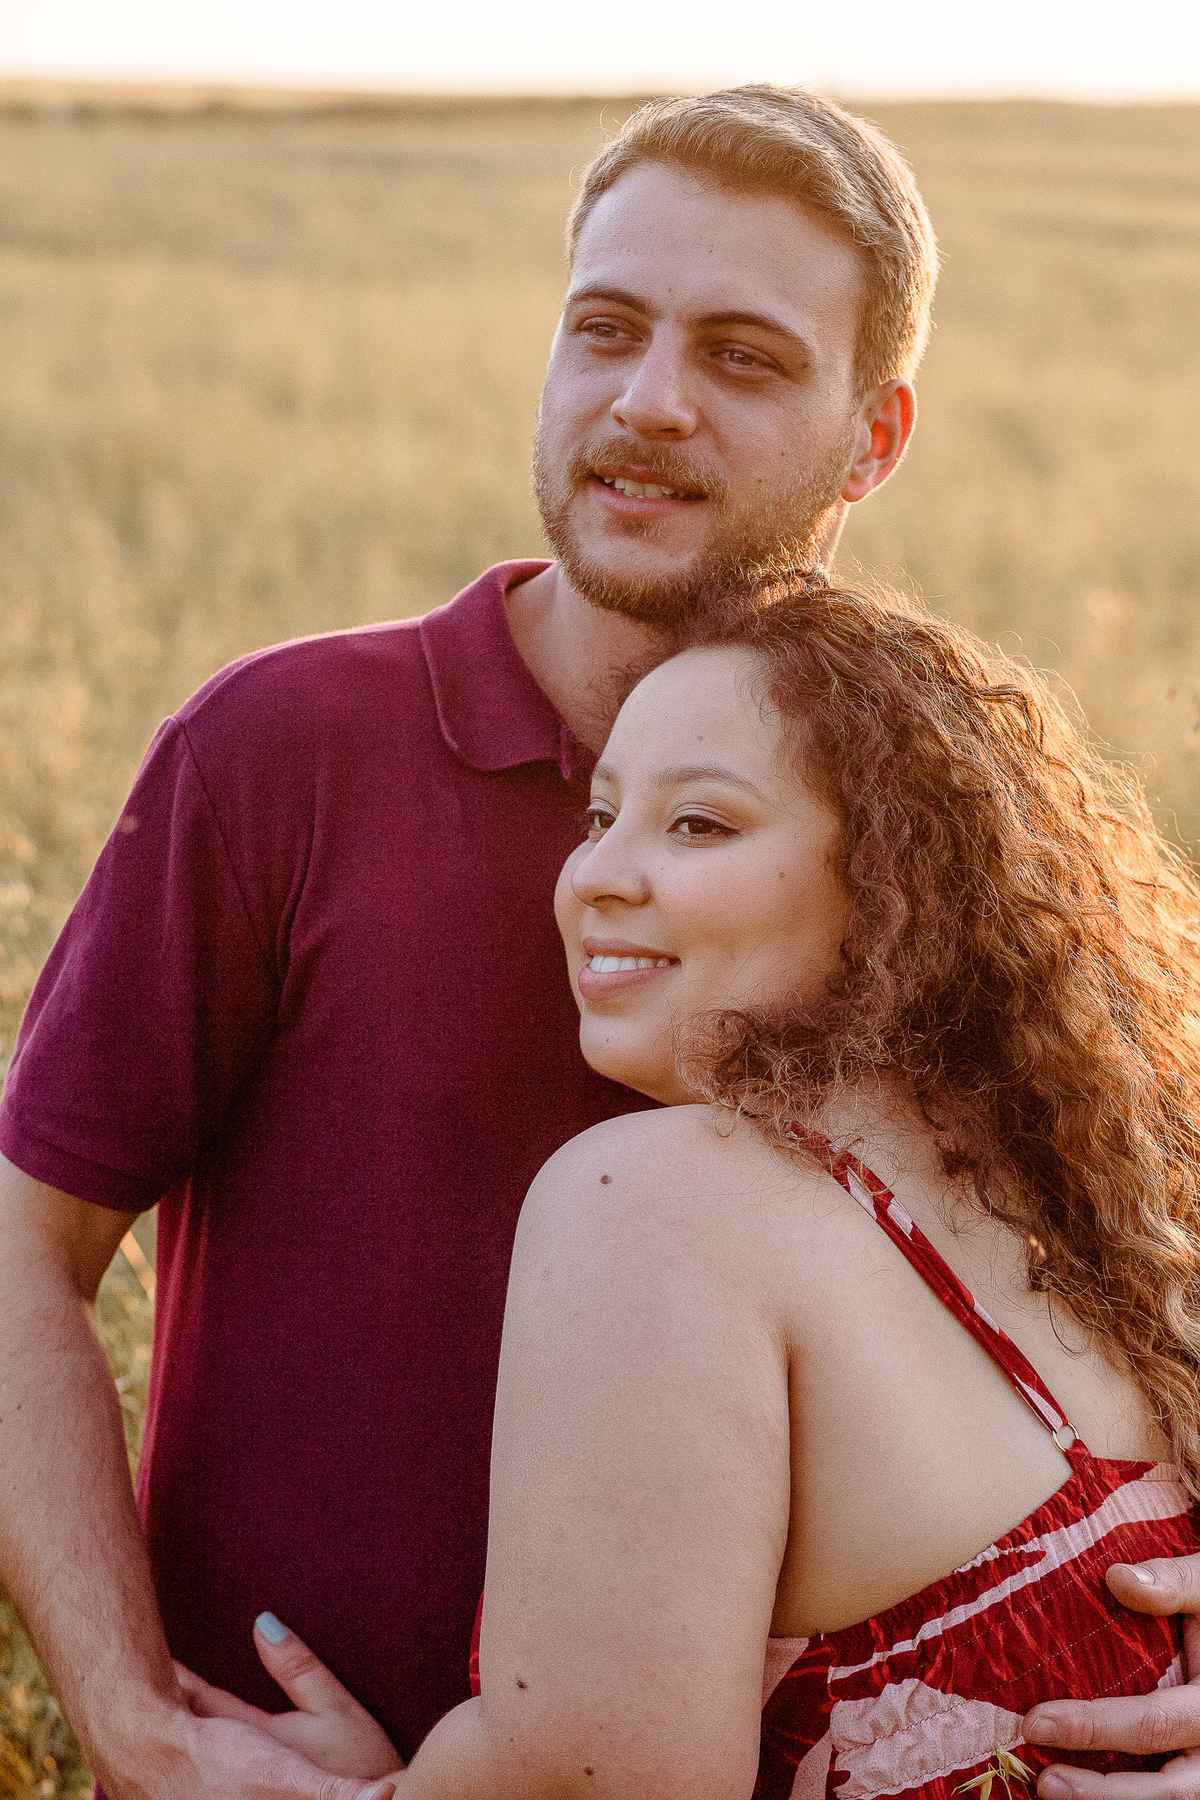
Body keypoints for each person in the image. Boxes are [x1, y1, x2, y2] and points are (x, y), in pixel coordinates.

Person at [0, 84, 1198, 1800]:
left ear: (875, 437)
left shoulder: (919, 823)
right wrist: (133, 1725)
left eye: (743, 357)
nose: (647, 401)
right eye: (606, 329)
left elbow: (1116, 1242)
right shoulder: (282, 751)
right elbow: (21, 1253)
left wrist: (1130, 1631)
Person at [178, 577, 1200, 1800]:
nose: (595, 876)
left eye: (699, 825)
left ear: (896, 885)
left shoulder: (653, 1204)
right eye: (600, 817)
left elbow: (599, 1783)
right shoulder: (1086, 1206)